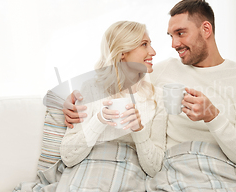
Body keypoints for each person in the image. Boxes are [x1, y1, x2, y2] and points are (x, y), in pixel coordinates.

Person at [64, 0, 236, 172]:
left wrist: (212, 116)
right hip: (173, 168)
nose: (173, 44)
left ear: (206, 29)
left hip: (222, 168)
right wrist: (71, 100)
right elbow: (116, 75)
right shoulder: (164, 70)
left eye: (180, 33)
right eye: (171, 36)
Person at [60, 20, 166, 177]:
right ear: (123, 52)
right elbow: (68, 157)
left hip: (130, 178)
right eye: (144, 44)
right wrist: (99, 119)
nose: (153, 52)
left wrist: (138, 130)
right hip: (91, 174)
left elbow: (155, 169)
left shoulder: (156, 97)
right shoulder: (90, 89)